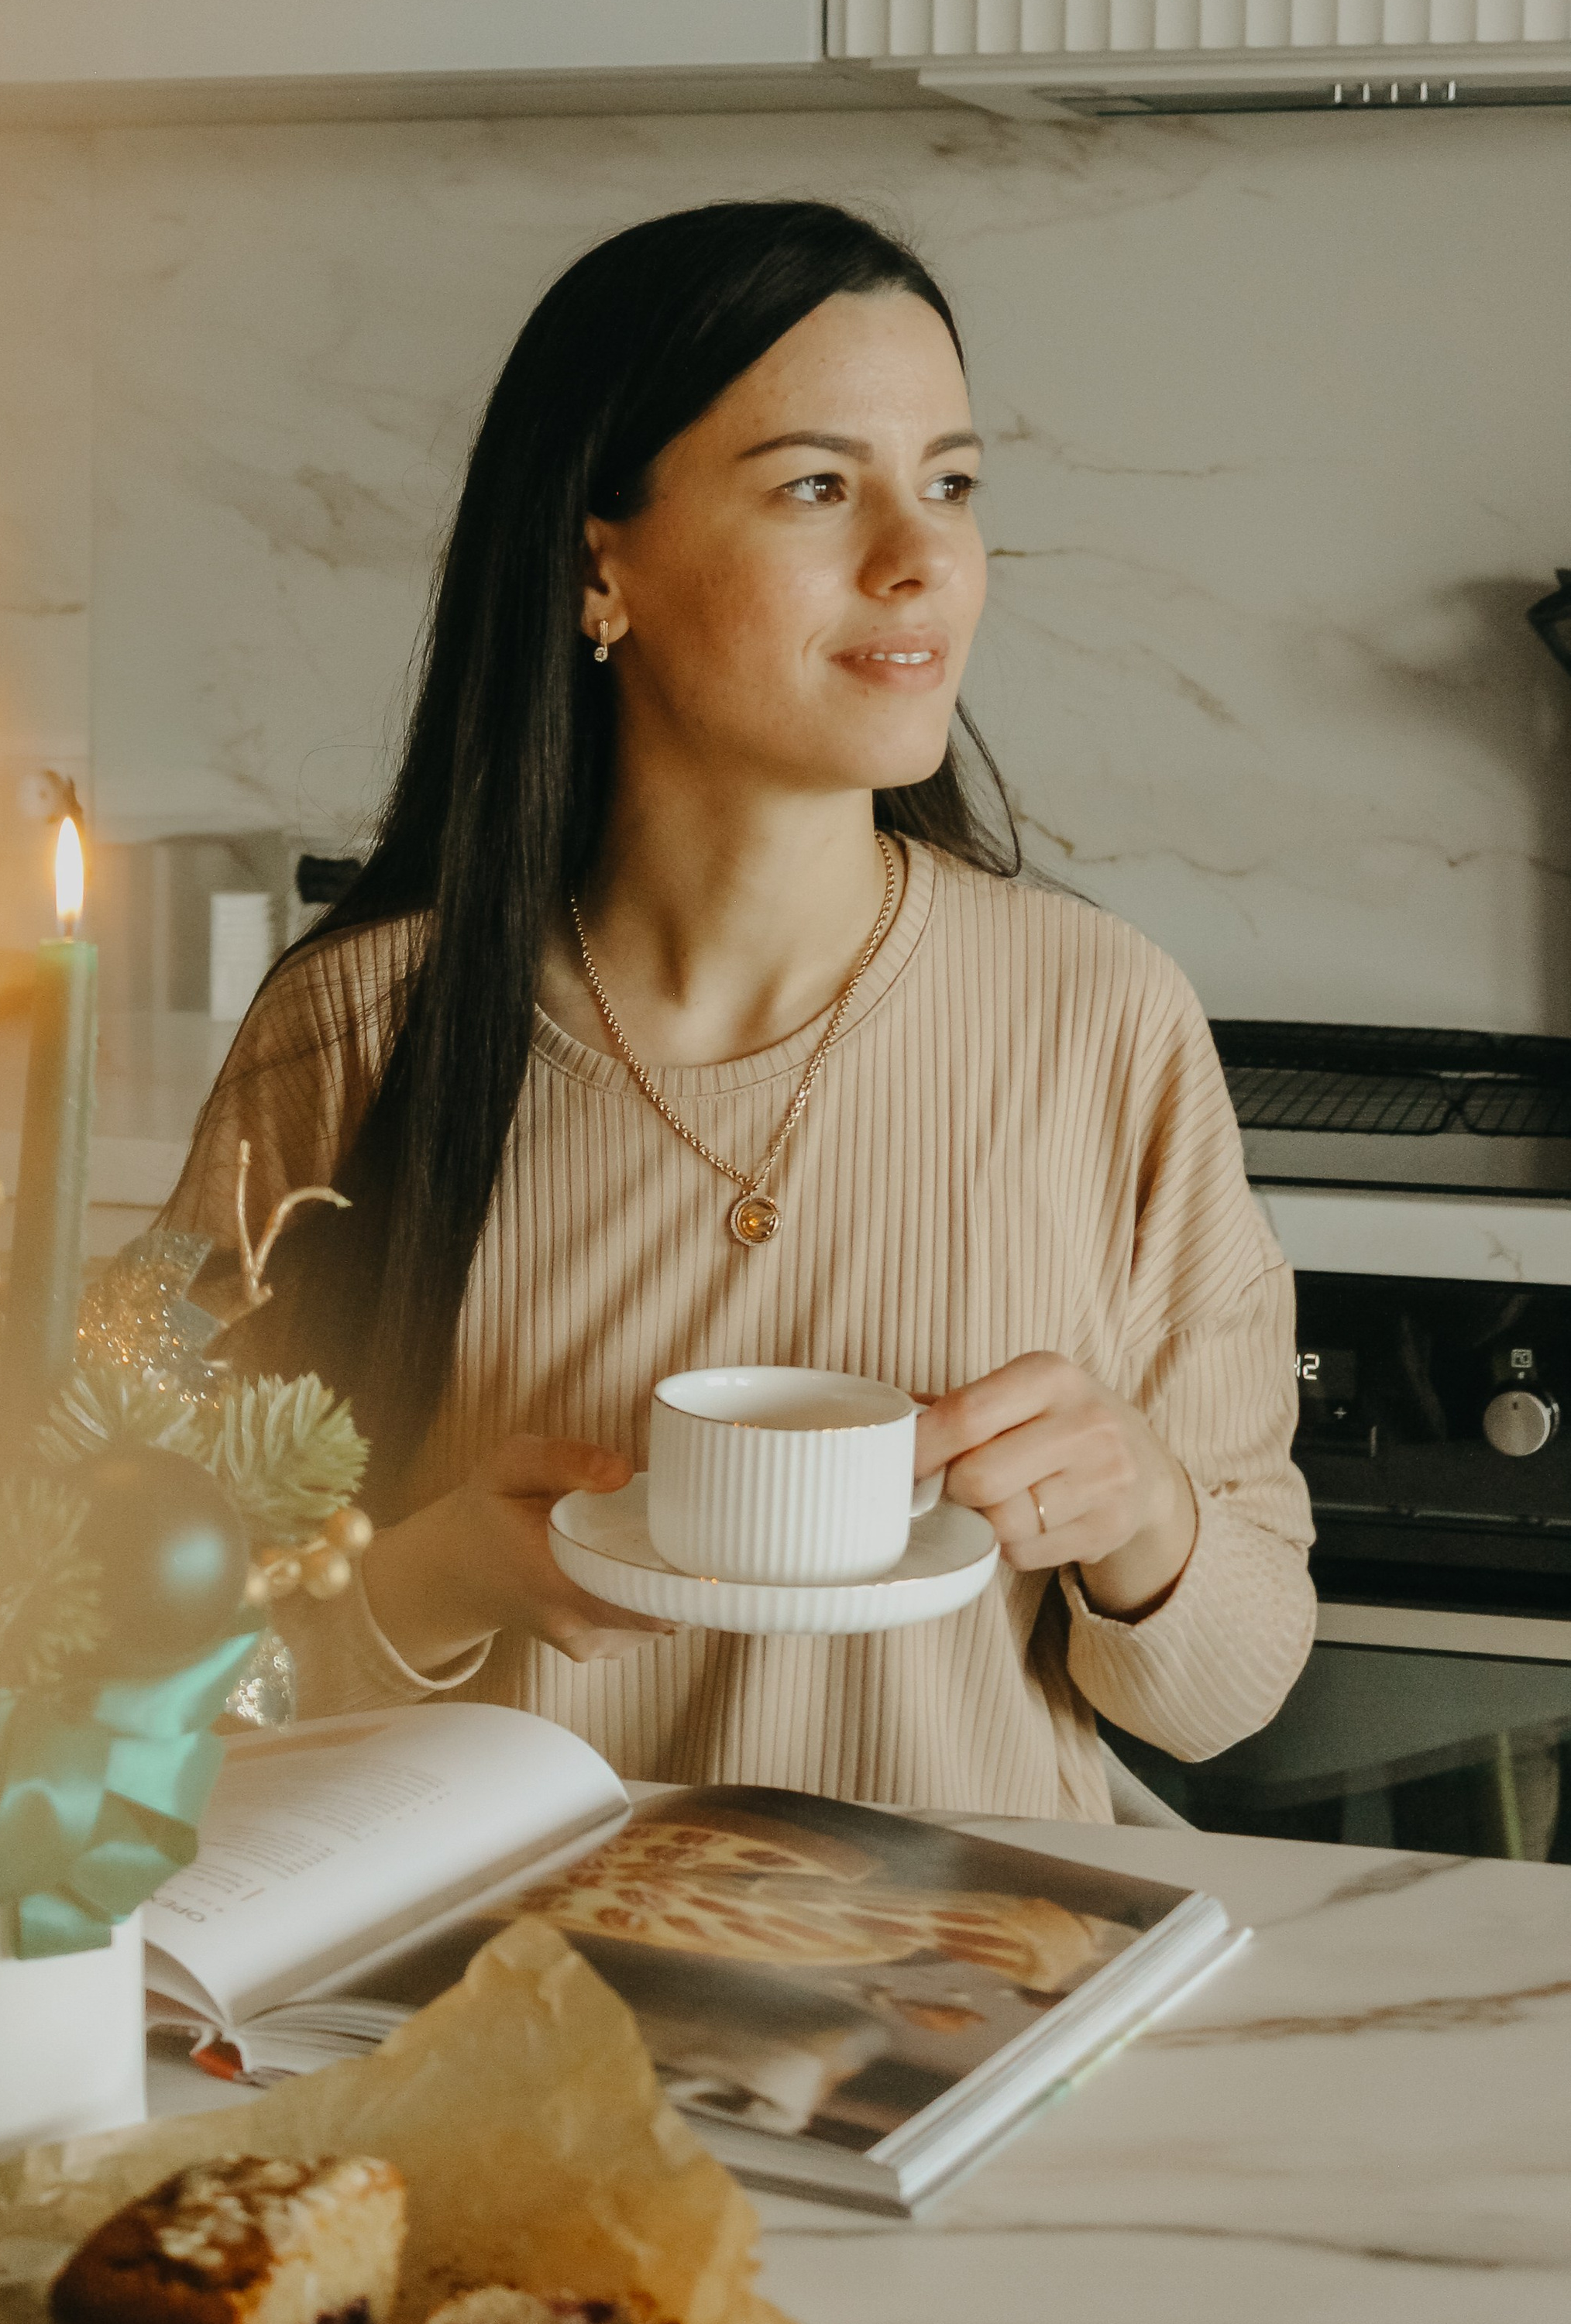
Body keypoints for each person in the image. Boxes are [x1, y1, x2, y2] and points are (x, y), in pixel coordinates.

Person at [165, 200, 1314, 1817]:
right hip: (498, 2015)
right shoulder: (350, 1038)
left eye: (951, 485)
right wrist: (428, 1584)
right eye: (816, 487)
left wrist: (1140, 1516)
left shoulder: (1099, 1016)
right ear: (596, 561)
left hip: (961, 2000)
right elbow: (149, 1667)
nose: (917, 558)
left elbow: (1235, 1685)